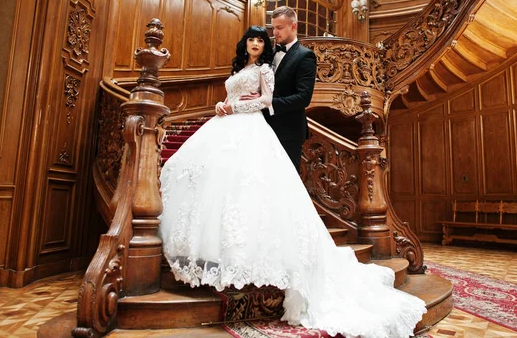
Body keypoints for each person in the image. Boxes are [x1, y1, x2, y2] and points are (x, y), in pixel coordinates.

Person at [158, 25, 427, 338]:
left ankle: (250, 264)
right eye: (251, 39)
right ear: (244, 44)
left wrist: (236, 106)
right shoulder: (238, 67)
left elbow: (265, 101)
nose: (255, 44)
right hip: (224, 126)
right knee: (205, 182)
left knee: (251, 188)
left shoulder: (265, 70)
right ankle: (218, 256)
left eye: (260, 40)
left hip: (250, 128)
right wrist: (222, 105)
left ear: (264, 46)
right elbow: (231, 94)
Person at [241, 6, 316, 172]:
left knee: (287, 180)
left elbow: (303, 97)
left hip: (289, 131)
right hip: (263, 126)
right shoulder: (270, 53)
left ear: (294, 26)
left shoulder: (305, 56)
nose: (275, 32)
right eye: (273, 27)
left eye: (279, 28)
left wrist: (266, 103)